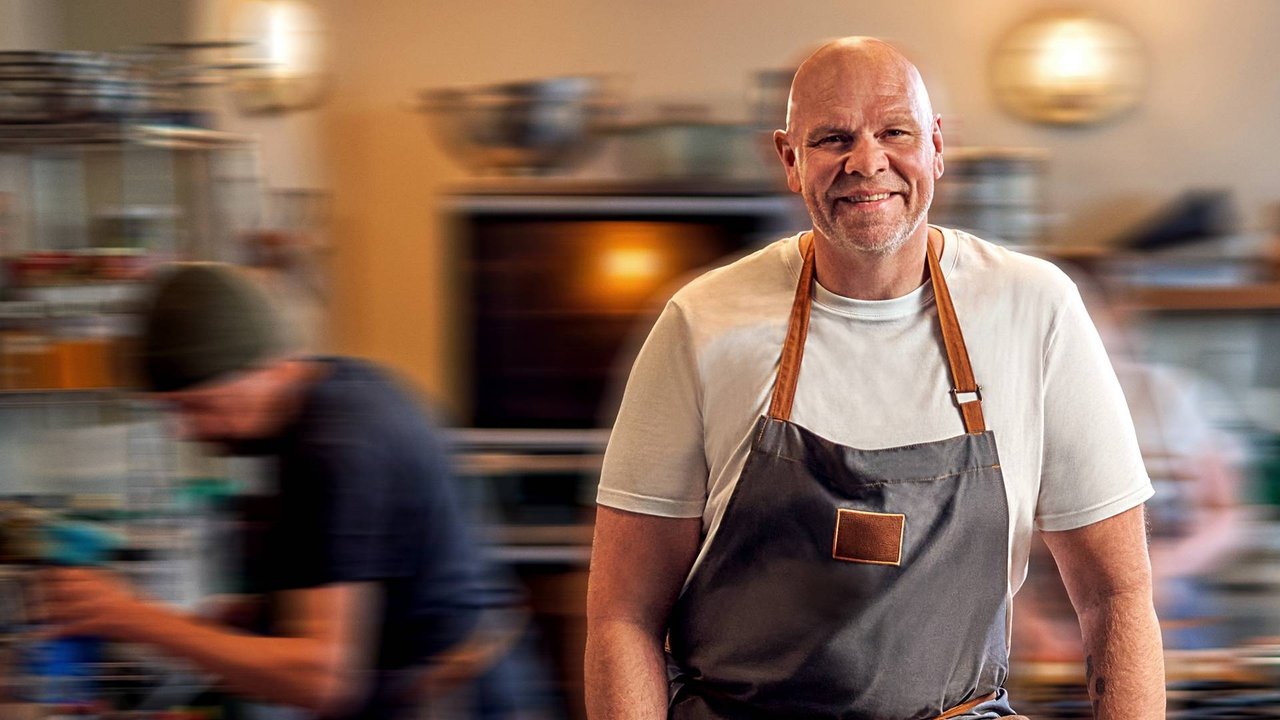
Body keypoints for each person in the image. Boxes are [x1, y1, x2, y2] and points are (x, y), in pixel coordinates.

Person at [584, 37, 1165, 719]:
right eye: (832, 138)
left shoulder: (1036, 308)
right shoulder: (699, 324)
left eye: (895, 131)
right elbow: (622, 616)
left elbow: (1116, 597)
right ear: (789, 161)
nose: (867, 162)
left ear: (937, 146)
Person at [39, 263, 549, 719]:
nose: (184, 431)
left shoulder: (335, 446)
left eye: (197, 405)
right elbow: (371, 572)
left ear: (264, 368)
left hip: (454, 702)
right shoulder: (340, 389)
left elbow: (322, 678)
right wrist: (250, 617)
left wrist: (132, 619)